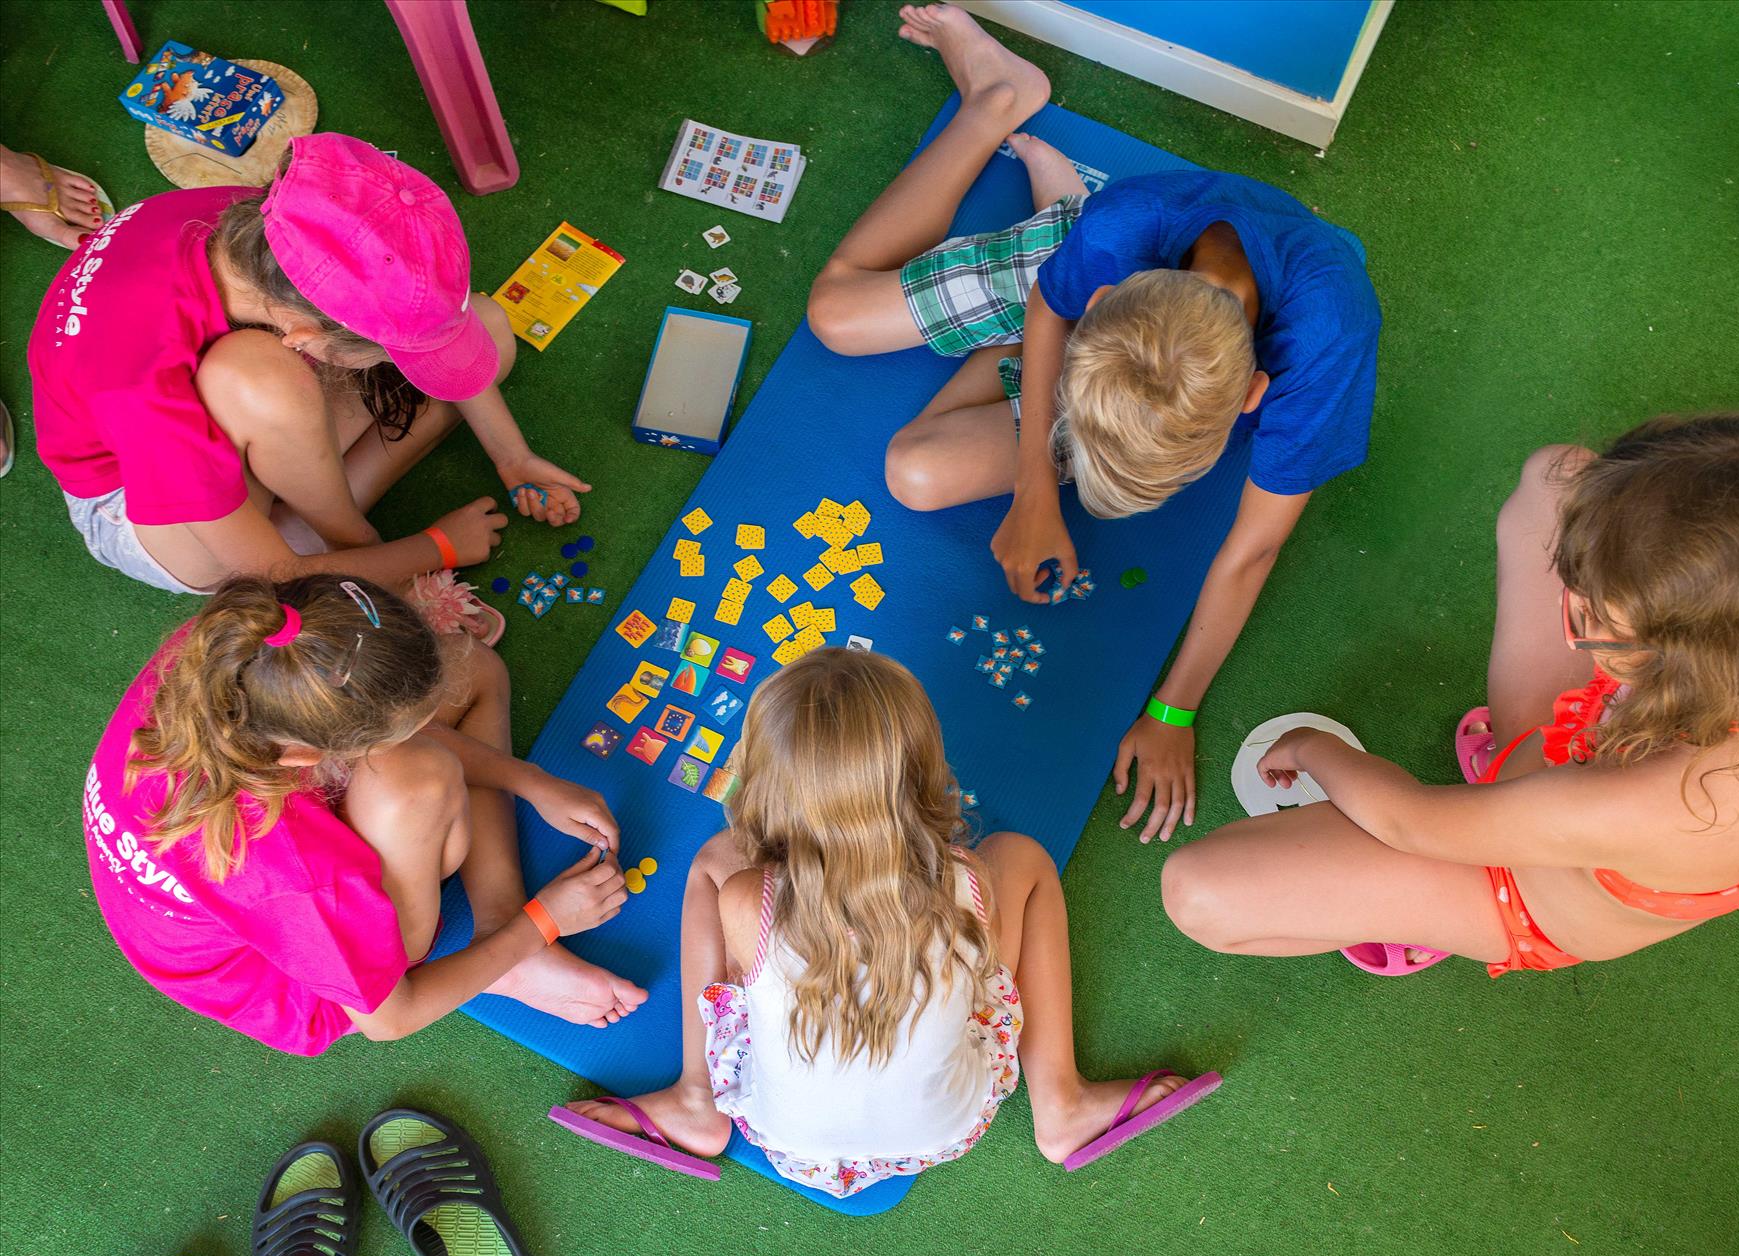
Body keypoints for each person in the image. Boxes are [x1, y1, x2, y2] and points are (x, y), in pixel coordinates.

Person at [805, 5, 1381, 844]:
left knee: (914, 471)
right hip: (1085, 261)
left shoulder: (1327, 347)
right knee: (833, 314)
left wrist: (1174, 710)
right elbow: (1051, 307)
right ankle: (997, 102)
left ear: (1256, 394)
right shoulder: (1114, 237)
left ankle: (1047, 194)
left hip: (1136, 328)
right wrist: (1036, 489)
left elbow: (1252, 549)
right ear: (1099, 307)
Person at [1161, 414, 1739, 977]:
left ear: (1688, 654)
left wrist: (1314, 749)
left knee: (1197, 892)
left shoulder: (1671, 799)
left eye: (1595, 617)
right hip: (1571, 773)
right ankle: (1499, 779)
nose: (1569, 612)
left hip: (1521, 889)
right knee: (1558, 475)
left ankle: (1420, 919)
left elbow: (1410, 819)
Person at [555, 648, 1220, 1195]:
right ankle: (1062, 1102)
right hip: (946, 1129)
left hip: (788, 1143)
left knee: (711, 862)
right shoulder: (966, 879)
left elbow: (736, 979)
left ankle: (697, 1100)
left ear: (764, 788)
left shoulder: (746, 896)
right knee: (1024, 859)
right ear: (922, 776)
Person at [87, 575, 646, 1055]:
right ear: (309, 755)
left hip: (247, 871)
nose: (423, 729)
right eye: (397, 732)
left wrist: (531, 781)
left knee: (475, 669)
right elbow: (390, 1020)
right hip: (299, 983)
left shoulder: (238, 650)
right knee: (422, 776)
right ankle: (506, 955)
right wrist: (544, 921)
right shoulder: (297, 876)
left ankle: (497, 918)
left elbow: (393, 722)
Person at [28, 132, 588, 595]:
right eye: (390, 350)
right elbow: (266, 577)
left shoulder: (269, 220)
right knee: (258, 378)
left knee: (490, 327)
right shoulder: (142, 392)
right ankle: (345, 541)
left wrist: (512, 455)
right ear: (302, 336)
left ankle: (321, 533)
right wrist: (431, 549)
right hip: (142, 509)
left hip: (224, 413)